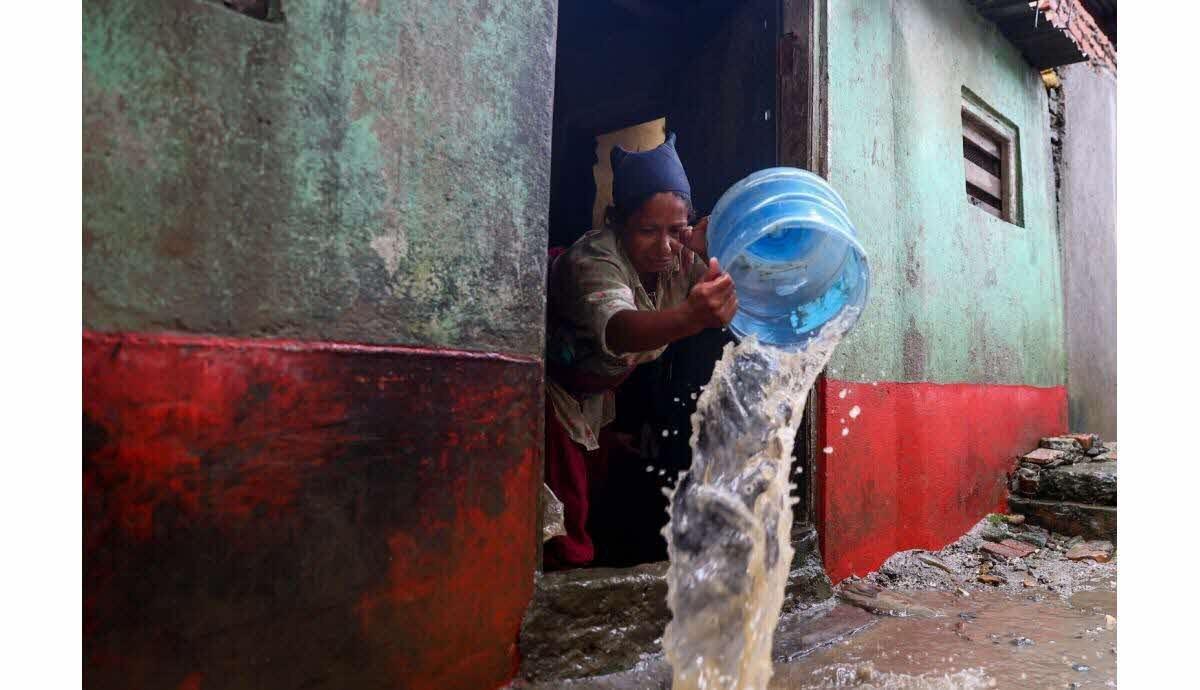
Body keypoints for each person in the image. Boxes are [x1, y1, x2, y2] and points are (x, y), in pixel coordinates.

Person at [544, 133, 738, 568]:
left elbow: (744, 277)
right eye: (647, 231)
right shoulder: (592, 261)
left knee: (600, 495)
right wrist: (691, 318)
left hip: (600, 396)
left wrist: (722, 243)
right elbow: (620, 331)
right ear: (616, 221)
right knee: (560, 516)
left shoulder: (683, 260)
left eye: (676, 230)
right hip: (551, 397)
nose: (664, 247)